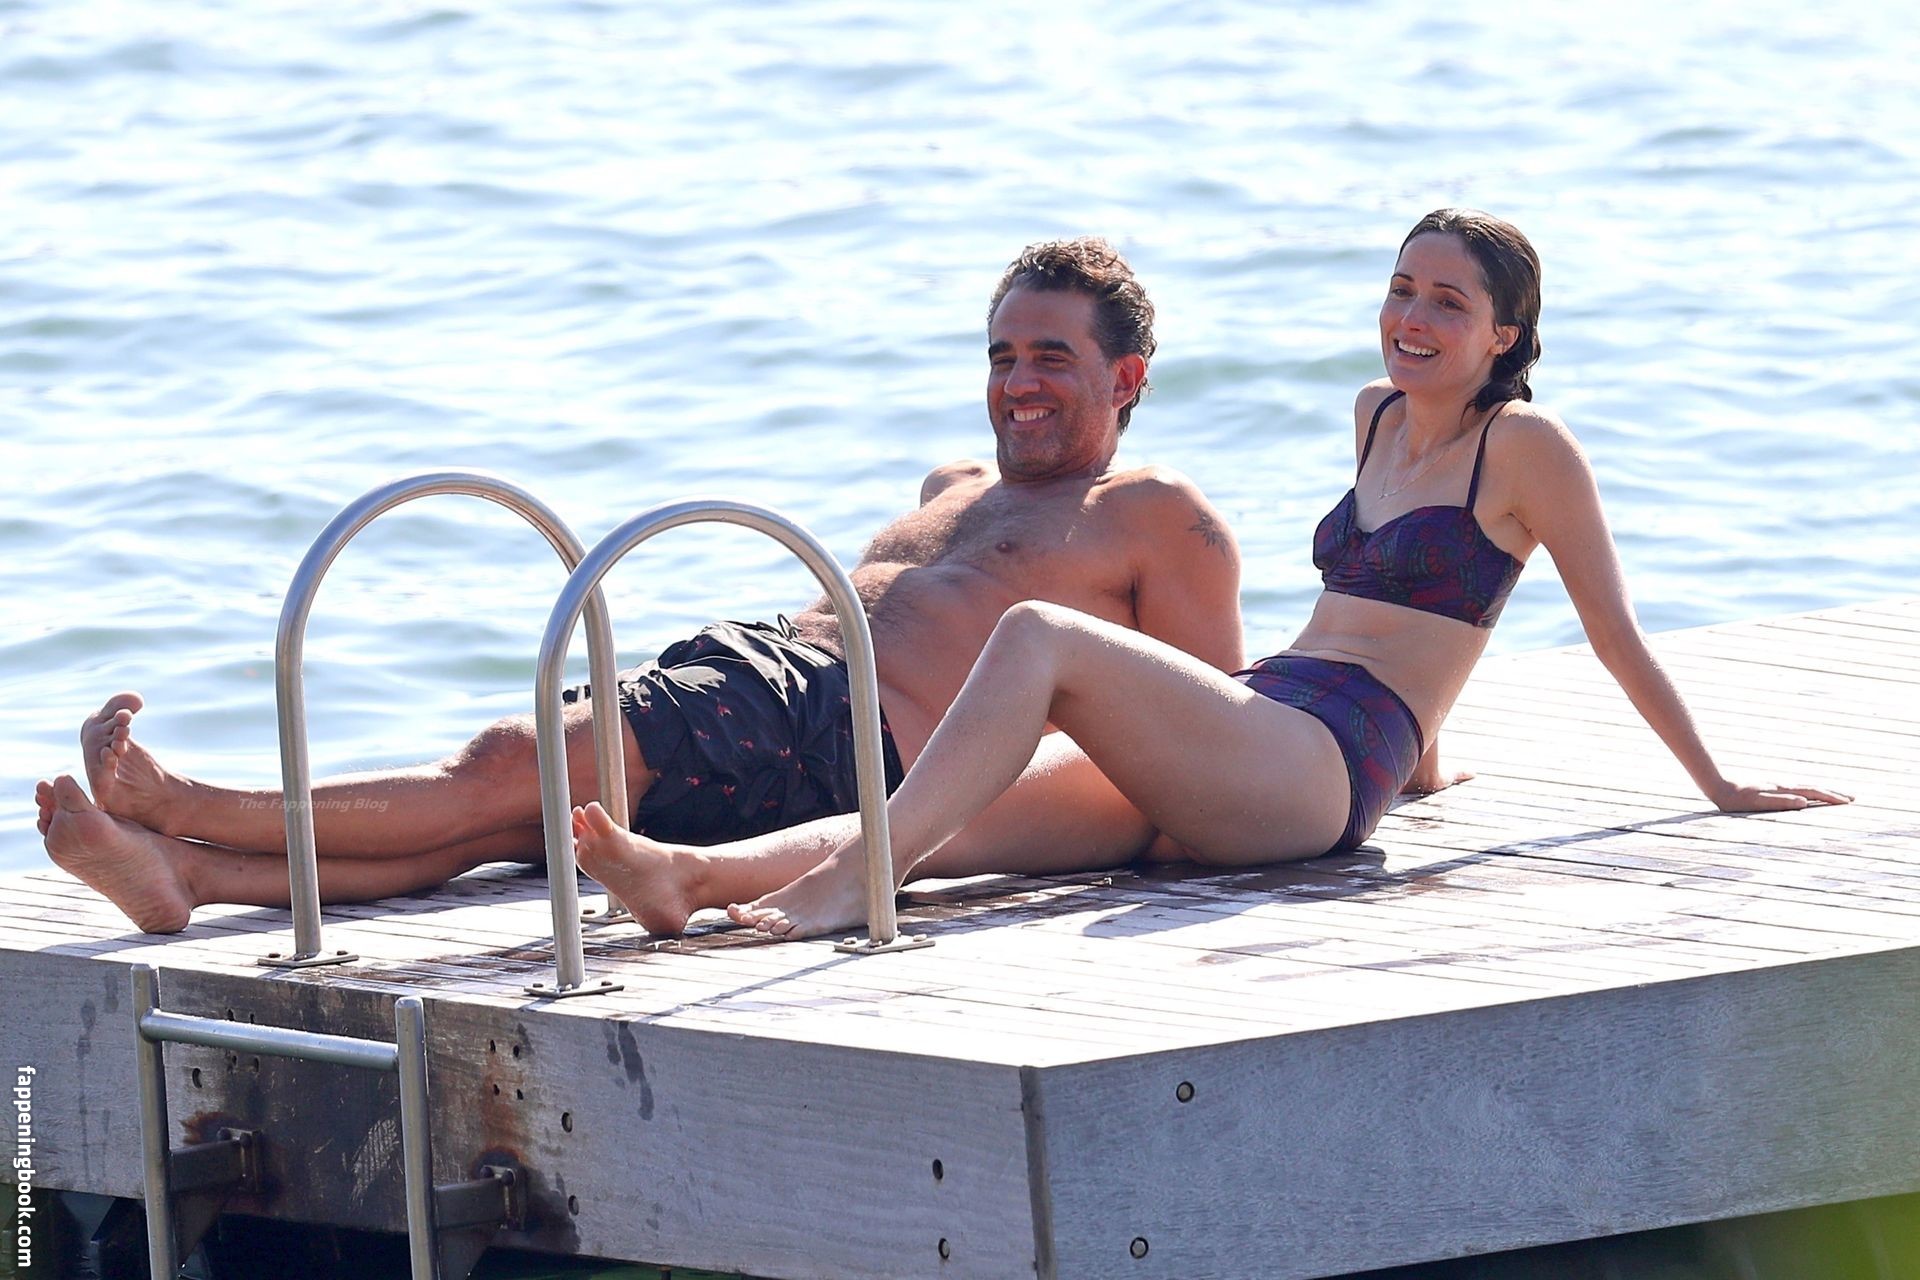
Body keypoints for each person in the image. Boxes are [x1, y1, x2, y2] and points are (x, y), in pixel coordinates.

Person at [570, 207, 1853, 941]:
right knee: (959, 820)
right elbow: (1399, 613)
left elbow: (1609, 630)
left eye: (1448, 304)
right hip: (1265, 724)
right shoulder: (1375, 414)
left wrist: (1720, 785)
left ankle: (848, 891)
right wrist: (1433, 757)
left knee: (1038, 637)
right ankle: (692, 877)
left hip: (1319, 768)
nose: (1412, 318)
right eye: (1401, 289)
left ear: (1504, 333)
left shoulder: (1528, 448)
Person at [36, 237, 1246, 935]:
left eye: (1051, 357)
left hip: (843, 730)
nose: (1017, 382)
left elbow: (1204, 740)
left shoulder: (1157, 515)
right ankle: (193, 874)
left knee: (504, 766)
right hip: (769, 674)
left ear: (1126, 376)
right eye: (1002, 354)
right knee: (518, 826)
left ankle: (185, 800)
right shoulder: (955, 482)